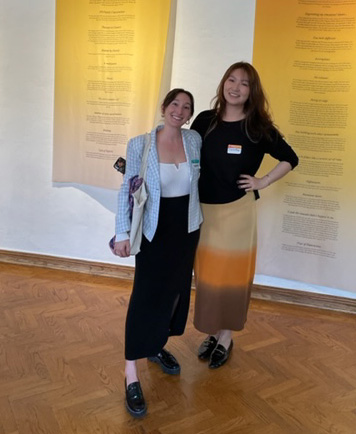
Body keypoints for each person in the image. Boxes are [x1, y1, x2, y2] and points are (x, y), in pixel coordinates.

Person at [190, 61, 298, 369]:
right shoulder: (205, 120)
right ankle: (211, 331)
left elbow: (290, 158)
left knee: (232, 276)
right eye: (231, 80)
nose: (235, 87)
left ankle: (226, 336)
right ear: (223, 83)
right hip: (203, 211)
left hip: (238, 211)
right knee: (209, 276)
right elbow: (186, 154)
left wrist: (262, 180)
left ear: (252, 91)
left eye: (244, 83)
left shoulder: (257, 127)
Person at [112, 89, 202, 417]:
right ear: (164, 108)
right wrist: (122, 231)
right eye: (174, 104)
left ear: (191, 114)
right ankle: (131, 371)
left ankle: (156, 345)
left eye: (186, 107)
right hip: (153, 230)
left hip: (187, 228)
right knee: (146, 296)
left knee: (174, 293)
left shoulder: (194, 141)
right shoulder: (141, 144)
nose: (179, 110)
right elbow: (128, 187)